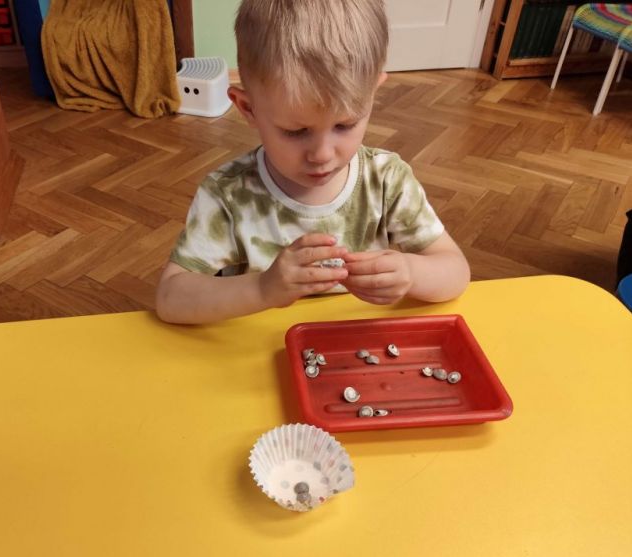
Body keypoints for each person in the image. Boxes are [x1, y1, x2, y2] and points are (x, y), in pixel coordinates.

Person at [156, 0, 470, 324]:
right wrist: (263, 289)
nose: (322, 154)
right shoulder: (227, 195)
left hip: (357, 345)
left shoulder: (387, 181)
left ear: (372, 95)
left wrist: (412, 273)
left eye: (345, 125)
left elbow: (456, 271)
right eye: (296, 131)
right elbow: (170, 297)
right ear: (248, 109)